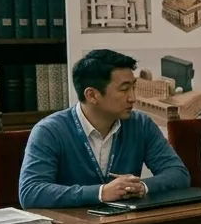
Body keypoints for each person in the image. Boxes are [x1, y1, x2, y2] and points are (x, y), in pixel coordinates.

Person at [19, 49, 190, 208]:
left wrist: (142, 187)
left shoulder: (140, 124)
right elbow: (31, 191)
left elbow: (179, 174)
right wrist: (101, 193)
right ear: (92, 95)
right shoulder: (50, 131)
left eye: (133, 87)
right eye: (124, 89)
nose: (133, 98)